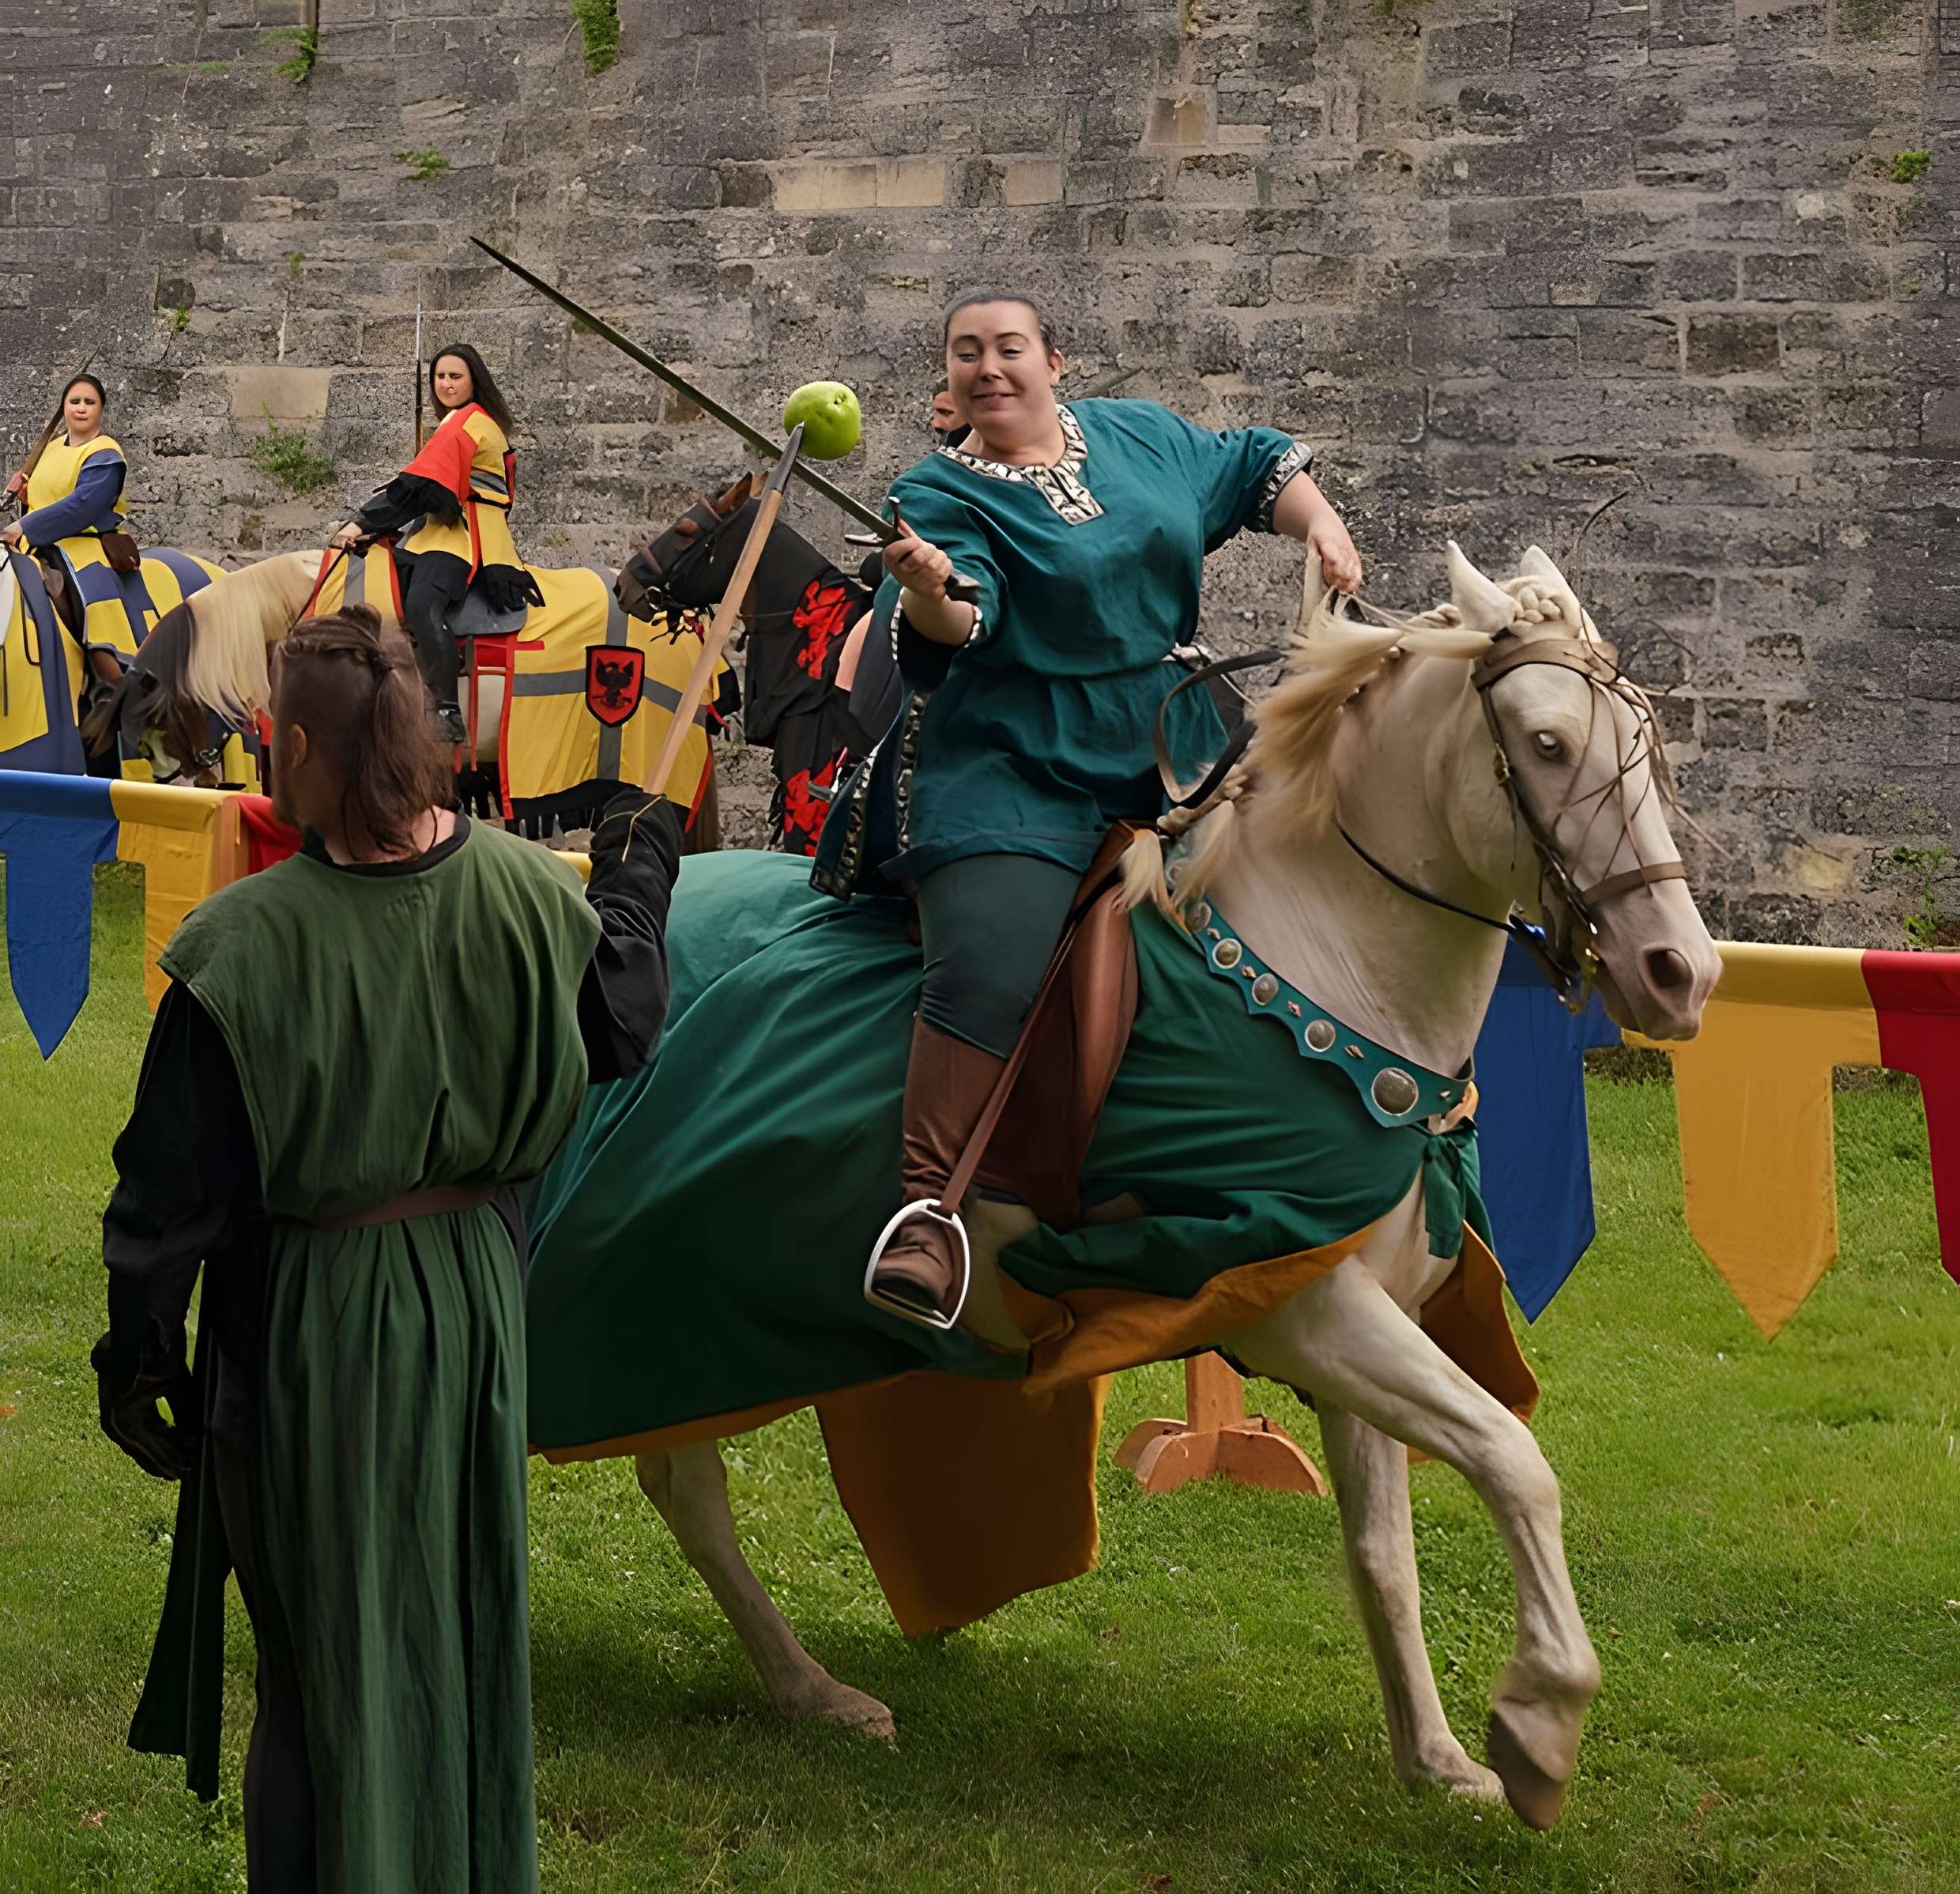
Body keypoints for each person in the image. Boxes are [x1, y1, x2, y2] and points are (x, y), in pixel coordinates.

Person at [92, 604, 683, 1892]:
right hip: (471, 1313)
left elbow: (166, 1203)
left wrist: (137, 1365)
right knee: (446, 1649)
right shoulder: (538, 897)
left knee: (313, 1682)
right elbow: (623, 1024)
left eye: (267, 737)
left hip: (308, 1335)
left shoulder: (238, 949)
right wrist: (637, 876)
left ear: (302, 743)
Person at [821, 290, 1363, 1329]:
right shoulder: (936, 492)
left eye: (1009, 348)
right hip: (1015, 761)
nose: (990, 368)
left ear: (1054, 360)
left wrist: (1322, 522)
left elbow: (1254, 466)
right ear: (950, 379)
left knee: (1315, 868)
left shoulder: (1137, 435)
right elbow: (962, 621)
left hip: (1172, 743)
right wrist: (930, 586)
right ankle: (930, 1211)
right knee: (989, 963)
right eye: (966, 354)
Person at [330, 343, 540, 744]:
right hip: (441, 530)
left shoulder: (468, 422)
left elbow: (416, 490)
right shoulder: (458, 424)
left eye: (455, 376)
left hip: (467, 537)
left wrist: (360, 523)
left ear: (473, 381)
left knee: (422, 604)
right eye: (440, 377)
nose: (446, 384)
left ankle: (446, 711)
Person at [2, 372, 146, 663]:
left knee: (94, 606)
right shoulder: (51, 448)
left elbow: (82, 507)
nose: (81, 408)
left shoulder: (106, 454)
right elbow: (49, 495)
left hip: (86, 548)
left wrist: (23, 526)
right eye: (75, 401)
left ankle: (114, 678)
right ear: (65, 406)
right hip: (38, 546)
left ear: (100, 409)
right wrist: (26, 494)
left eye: (89, 402)